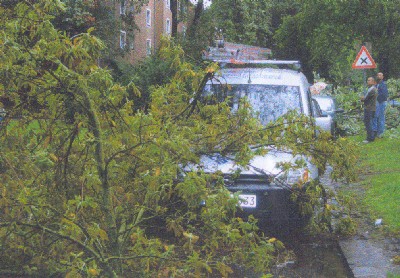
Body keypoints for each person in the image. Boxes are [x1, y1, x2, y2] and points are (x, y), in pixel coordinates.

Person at [360, 76, 377, 143]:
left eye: (369, 80)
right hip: (370, 108)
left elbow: (365, 99)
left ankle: (370, 138)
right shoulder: (371, 89)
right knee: (369, 122)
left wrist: (362, 98)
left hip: (369, 108)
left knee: (368, 123)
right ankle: (371, 136)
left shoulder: (372, 90)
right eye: (367, 80)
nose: (368, 81)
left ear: (373, 82)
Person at [372, 72, 388, 138]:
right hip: (376, 103)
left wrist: (377, 97)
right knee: (375, 117)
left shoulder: (383, 84)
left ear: (382, 77)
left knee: (381, 118)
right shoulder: (376, 85)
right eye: (378, 75)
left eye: (380, 75)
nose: (378, 76)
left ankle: (380, 133)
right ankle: (375, 131)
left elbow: (384, 94)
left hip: (381, 103)